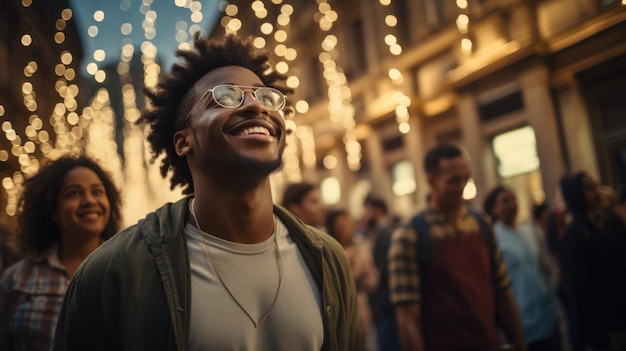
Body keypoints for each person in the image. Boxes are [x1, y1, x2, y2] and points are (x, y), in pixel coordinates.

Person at [54, 33, 357, 351]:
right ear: (184, 141)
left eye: (266, 97)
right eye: (225, 97)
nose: (255, 105)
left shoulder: (327, 259)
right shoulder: (113, 273)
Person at [388, 144, 526, 351]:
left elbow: (503, 292)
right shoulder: (409, 236)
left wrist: (520, 344)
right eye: (453, 180)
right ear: (431, 181)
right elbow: (407, 318)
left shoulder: (481, 223)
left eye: (466, 177)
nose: (462, 185)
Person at [0, 155, 122, 351]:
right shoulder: (17, 278)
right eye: (74, 193)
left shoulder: (130, 269)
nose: (89, 200)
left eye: (97, 191)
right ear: (53, 211)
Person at [484, 186, 559, 351]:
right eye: (506, 201)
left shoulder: (529, 230)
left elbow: (545, 266)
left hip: (547, 313)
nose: (512, 204)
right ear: (494, 209)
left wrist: (551, 290)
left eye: (513, 199)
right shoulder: (494, 239)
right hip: (523, 320)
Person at [560, 172, 626, 351]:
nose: (596, 192)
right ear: (577, 195)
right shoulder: (575, 233)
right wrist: (596, 334)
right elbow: (581, 288)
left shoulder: (607, 222)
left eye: (596, 186)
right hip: (603, 325)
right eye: (589, 189)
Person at [326, 209, 378, 351]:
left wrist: (364, 274)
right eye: (339, 225)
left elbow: (373, 282)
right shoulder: (328, 249)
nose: (344, 229)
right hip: (339, 316)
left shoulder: (360, 245)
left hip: (361, 315)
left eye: (346, 224)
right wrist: (350, 270)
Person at [361, 195, 401, 351]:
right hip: (383, 305)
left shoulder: (387, 233)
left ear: (377, 211)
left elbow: (384, 270)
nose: (364, 215)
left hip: (387, 304)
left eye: (366, 210)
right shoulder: (377, 232)